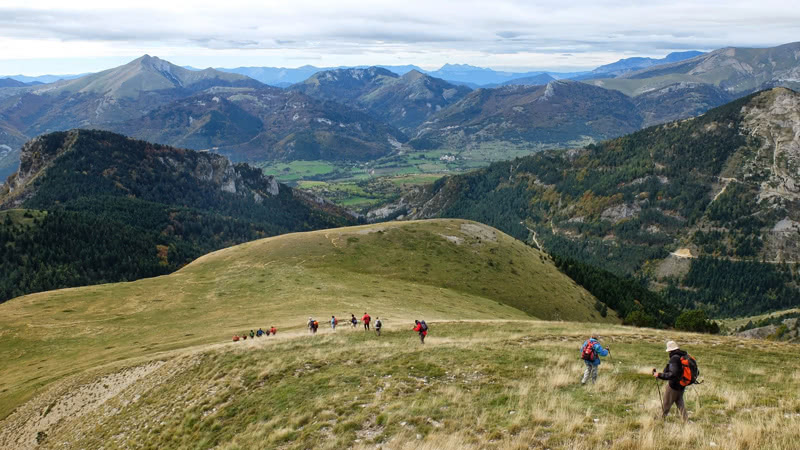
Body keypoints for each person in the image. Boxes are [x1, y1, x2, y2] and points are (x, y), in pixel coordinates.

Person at [654, 340, 689, 421]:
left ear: (670, 350)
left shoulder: (674, 358)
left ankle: (660, 420)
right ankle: (685, 420)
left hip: (674, 385)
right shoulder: (684, 355)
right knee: (680, 402)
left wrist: (659, 375)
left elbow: (672, 374)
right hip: (682, 384)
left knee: (666, 403)